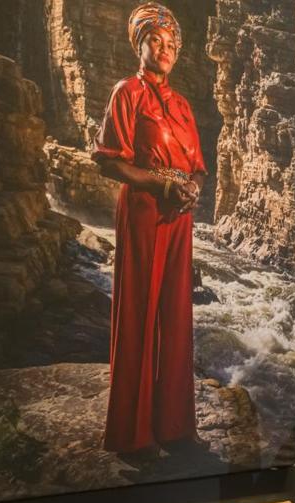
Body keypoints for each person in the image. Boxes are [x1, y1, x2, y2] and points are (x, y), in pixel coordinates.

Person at [93, 3, 207, 459]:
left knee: (176, 312)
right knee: (139, 308)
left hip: (179, 216)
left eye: (170, 44)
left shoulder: (180, 104)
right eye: (155, 42)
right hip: (143, 210)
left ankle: (173, 424)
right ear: (139, 45)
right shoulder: (127, 93)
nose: (164, 50)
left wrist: (192, 190)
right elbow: (107, 159)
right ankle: (133, 432)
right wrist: (161, 182)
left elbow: (198, 168)